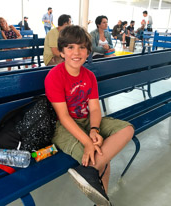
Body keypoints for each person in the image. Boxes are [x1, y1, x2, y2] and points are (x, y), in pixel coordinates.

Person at [45, 25, 134, 206]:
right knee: (100, 155)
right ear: (61, 52)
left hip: (87, 121)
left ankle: (89, 172)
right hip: (63, 127)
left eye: (82, 47)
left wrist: (94, 130)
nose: (76, 52)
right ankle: (102, 200)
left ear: (87, 52)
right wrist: (87, 142)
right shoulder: (55, 76)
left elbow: (94, 109)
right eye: (70, 47)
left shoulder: (89, 76)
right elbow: (63, 116)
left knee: (127, 129)